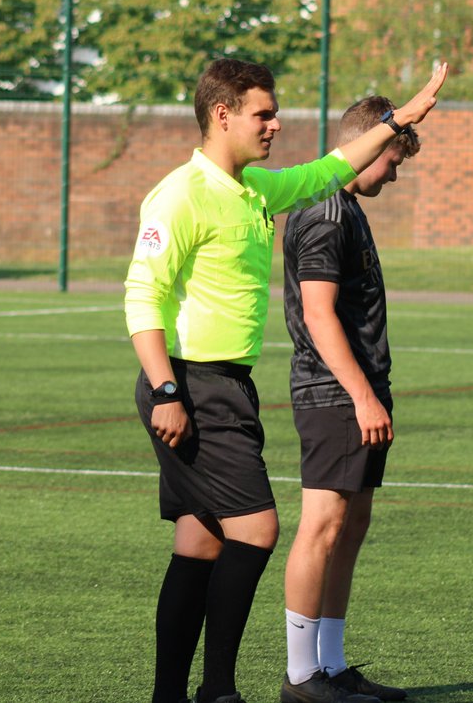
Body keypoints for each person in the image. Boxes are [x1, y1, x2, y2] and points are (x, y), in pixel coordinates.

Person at [126, 60, 447, 703]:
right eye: (262, 113)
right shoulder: (180, 193)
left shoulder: (254, 190)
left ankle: (173, 695)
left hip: (228, 384)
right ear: (223, 114)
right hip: (189, 386)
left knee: (199, 538)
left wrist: (396, 122)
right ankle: (220, 690)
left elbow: (330, 169)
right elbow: (143, 296)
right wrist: (165, 391)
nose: (275, 124)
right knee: (259, 528)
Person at [279, 96, 421, 703]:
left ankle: (331, 666)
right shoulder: (325, 211)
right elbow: (318, 314)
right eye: (392, 158)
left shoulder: (349, 207)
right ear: (367, 145)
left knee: (352, 523)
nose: (394, 172)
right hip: (333, 392)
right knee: (323, 524)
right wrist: (362, 396)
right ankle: (301, 675)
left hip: (361, 391)